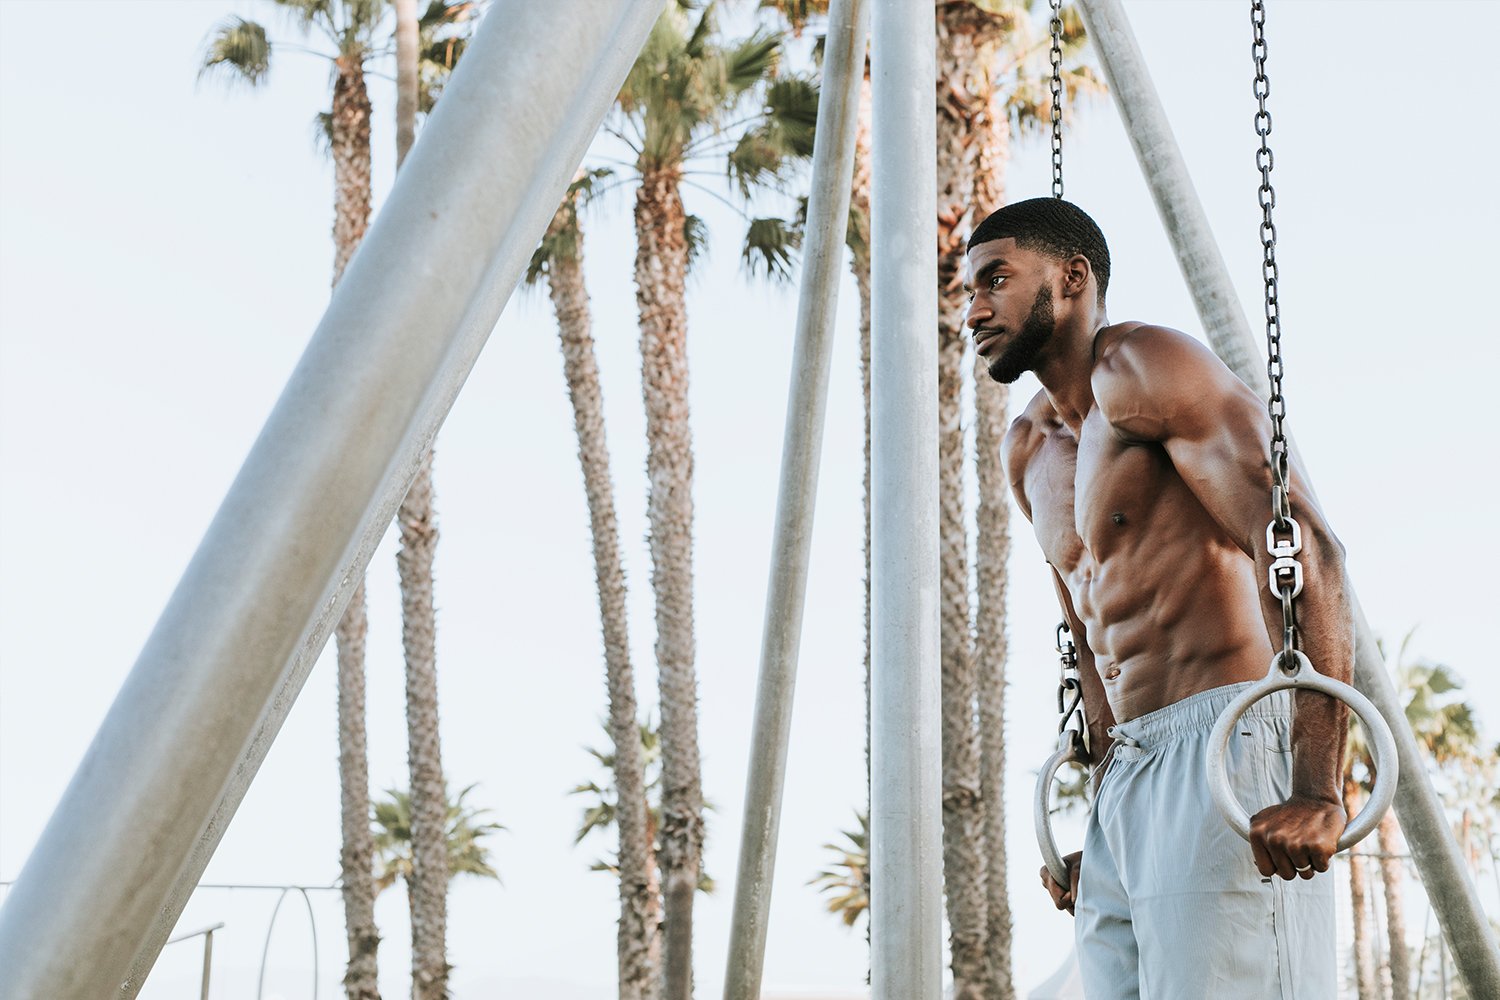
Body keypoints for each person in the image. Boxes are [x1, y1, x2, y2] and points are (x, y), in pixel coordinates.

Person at [968, 198, 1348, 997]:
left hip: (1228, 743)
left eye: (995, 280)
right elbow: (1086, 626)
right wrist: (1111, 825)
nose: (973, 308)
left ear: (1072, 279)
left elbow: (1303, 548)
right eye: (968, 288)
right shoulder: (1027, 447)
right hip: (1129, 772)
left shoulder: (1147, 368)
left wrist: (1317, 788)